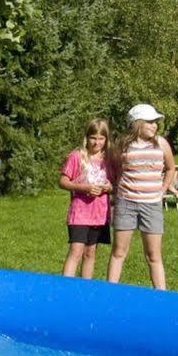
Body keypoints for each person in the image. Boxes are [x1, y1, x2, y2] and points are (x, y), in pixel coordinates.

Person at [107, 103, 176, 289]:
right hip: (126, 204)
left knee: (153, 255)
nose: (155, 125)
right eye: (150, 122)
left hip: (151, 206)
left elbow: (170, 169)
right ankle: (109, 293)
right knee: (119, 252)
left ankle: (161, 296)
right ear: (137, 123)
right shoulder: (122, 145)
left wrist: (162, 191)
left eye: (156, 122)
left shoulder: (161, 143)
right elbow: (114, 170)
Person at [58, 119, 113, 278]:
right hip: (80, 213)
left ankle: (85, 289)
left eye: (101, 138)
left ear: (106, 140)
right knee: (76, 251)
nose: (97, 142)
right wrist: (84, 188)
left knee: (90, 253)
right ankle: (66, 289)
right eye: (93, 138)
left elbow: (114, 184)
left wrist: (109, 188)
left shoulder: (108, 159)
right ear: (86, 138)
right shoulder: (77, 156)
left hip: (99, 214)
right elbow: (63, 181)